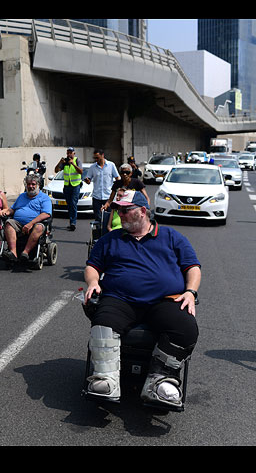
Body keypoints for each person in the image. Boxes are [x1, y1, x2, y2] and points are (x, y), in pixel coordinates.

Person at [83, 190, 200, 408]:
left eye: (126, 210)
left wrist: (190, 292)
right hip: (120, 299)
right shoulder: (110, 239)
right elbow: (92, 266)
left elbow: (192, 267)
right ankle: (106, 378)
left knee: (186, 328)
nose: (120, 214)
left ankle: (161, 380)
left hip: (164, 301)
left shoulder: (171, 236)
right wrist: (93, 282)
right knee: (103, 321)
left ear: (143, 211)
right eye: (118, 210)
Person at [0, 174, 52, 263]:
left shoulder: (44, 198)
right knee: (9, 223)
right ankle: (13, 253)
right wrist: (6, 212)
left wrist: (30, 223)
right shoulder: (22, 196)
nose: (30, 186)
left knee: (39, 227)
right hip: (18, 223)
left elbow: (46, 214)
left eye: (33, 184)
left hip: (35, 224)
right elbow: (13, 209)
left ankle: (25, 252)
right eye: (28, 184)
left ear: (38, 185)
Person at [83, 149, 120, 227]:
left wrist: (119, 191)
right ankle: (99, 236)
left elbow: (117, 178)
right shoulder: (92, 167)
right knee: (98, 219)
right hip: (97, 197)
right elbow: (88, 179)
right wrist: (87, 180)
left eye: (97, 158)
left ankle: (109, 235)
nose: (96, 160)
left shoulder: (111, 165)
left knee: (110, 218)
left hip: (108, 197)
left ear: (102, 155)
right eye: (95, 158)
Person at [54, 147, 83, 231]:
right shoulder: (65, 162)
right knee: (69, 204)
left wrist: (73, 164)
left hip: (75, 185)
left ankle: (73, 223)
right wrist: (60, 162)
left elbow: (81, 171)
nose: (69, 154)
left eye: (71, 153)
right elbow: (56, 170)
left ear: (74, 153)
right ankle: (71, 221)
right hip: (67, 186)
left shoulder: (77, 160)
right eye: (68, 153)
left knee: (73, 203)